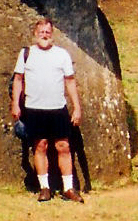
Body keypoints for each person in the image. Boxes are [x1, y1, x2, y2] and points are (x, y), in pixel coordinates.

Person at [11, 17, 84, 203]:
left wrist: (77, 107)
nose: (44, 35)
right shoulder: (26, 54)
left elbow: (70, 81)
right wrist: (15, 104)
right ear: (35, 34)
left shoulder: (62, 55)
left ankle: (68, 188)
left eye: (47, 32)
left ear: (52, 35)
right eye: (41, 32)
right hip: (34, 109)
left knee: (63, 146)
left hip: (57, 108)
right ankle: (44, 188)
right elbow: (18, 79)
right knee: (40, 146)